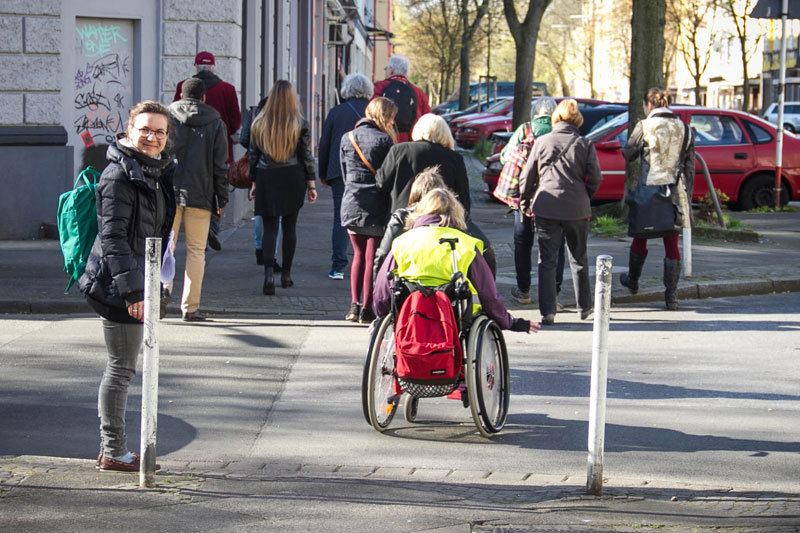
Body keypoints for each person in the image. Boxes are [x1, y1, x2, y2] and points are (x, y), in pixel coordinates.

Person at [78, 101, 175, 472]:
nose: (151, 137)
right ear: (129, 131)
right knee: (121, 368)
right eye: (145, 130)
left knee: (125, 366)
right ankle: (112, 450)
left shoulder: (155, 170)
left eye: (159, 132)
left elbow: (155, 233)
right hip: (119, 284)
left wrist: (157, 283)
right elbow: (114, 238)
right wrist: (134, 292)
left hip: (141, 278)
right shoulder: (119, 175)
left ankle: (113, 449)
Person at [374, 188, 538, 335]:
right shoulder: (466, 244)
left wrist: (383, 317)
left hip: (409, 314)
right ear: (456, 212)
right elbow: (488, 293)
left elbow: (382, 289)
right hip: (455, 316)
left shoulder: (402, 242)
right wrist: (509, 322)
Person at [376, 113, 496, 274]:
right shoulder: (454, 158)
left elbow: (382, 185)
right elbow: (463, 197)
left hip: (404, 222)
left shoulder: (399, 151)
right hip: (443, 223)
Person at [518, 99, 602, 326]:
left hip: (547, 207)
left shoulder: (542, 142)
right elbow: (596, 178)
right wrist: (585, 196)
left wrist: (525, 202)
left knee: (547, 260)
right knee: (579, 258)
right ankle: (584, 307)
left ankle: (548, 311)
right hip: (577, 209)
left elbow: (527, 177)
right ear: (577, 120)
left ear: (556, 118)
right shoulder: (585, 144)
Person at [620, 88, 695, 310]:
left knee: (641, 236)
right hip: (673, 193)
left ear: (649, 105)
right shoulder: (685, 129)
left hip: (648, 189)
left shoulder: (644, 126)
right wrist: (687, 197)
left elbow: (629, 153)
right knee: (671, 243)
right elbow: (689, 167)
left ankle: (633, 281)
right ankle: (671, 296)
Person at [166, 77, 229, 321]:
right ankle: (190, 308)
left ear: (181, 95)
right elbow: (219, 166)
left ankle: (161, 293)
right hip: (200, 194)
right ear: (204, 98)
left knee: (164, 247)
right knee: (196, 251)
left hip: (169, 192)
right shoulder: (215, 122)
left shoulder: (167, 117)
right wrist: (221, 200)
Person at [248, 80, 317, 295]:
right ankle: (286, 275)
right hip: (292, 176)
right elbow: (306, 156)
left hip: (266, 176)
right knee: (290, 227)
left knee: (270, 228)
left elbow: (253, 155)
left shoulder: (259, 122)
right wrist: (311, 184)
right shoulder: (300, 123)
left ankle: (269, 274)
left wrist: (253, 181)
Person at [499, 97, 567, 307]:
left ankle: (523, 290)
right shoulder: (560, 131)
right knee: (555, 246)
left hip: (524, 198)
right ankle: (553, 294)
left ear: (535, 112)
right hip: (554, 198)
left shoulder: (525, 130)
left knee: (523, 244)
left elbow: (505, 157)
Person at [373, 165, 495, 282]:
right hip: (451, 282)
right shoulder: (458, 215)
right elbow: (485, 249)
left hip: (409, 284)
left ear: (415, 192)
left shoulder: (402, 217)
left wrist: (378, 287)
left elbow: (383, 254)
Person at [173, 51, 242, 251]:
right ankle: (212, 226)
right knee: (215, 183)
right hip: (219, 147)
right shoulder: (227, 89)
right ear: (213, 67)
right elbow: (236, 121)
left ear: (195, 67)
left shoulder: (182, 87)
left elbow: (175, 112)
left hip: (185, 151)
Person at [339, 97, 397, 323]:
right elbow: (388, 176)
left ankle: (353, 306)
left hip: (352, 201)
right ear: (386, 116)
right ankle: (367, 309)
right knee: (372, 258)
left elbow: (345, 172)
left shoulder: (348, 137)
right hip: (376, 204)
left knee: (357, 256)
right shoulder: (385, 140)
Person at [319, 73, 373, 280]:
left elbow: (325, 143)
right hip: (369, 171)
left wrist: (323, 173)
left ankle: (338, 266)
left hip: (339, 170)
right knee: (370, 218)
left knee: (340, 218)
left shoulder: (336, 112)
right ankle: (369, 264)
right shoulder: (373, 110)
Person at [240, 95, 283, 271]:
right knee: (276, 216)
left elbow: (244, 138)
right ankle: (271, 256)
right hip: (279, 168)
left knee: (259, 210)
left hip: (257, 166)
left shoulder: (253, 114)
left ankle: (259, 248)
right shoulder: (281, 119)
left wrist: (253, 151)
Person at [372, 54, 432, 143]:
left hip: (384, 139)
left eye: (386, 69)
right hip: (410, 141)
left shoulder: (378, 87)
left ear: (391, 70)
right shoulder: (418, 92)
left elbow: (370, 112)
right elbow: (428, 118)